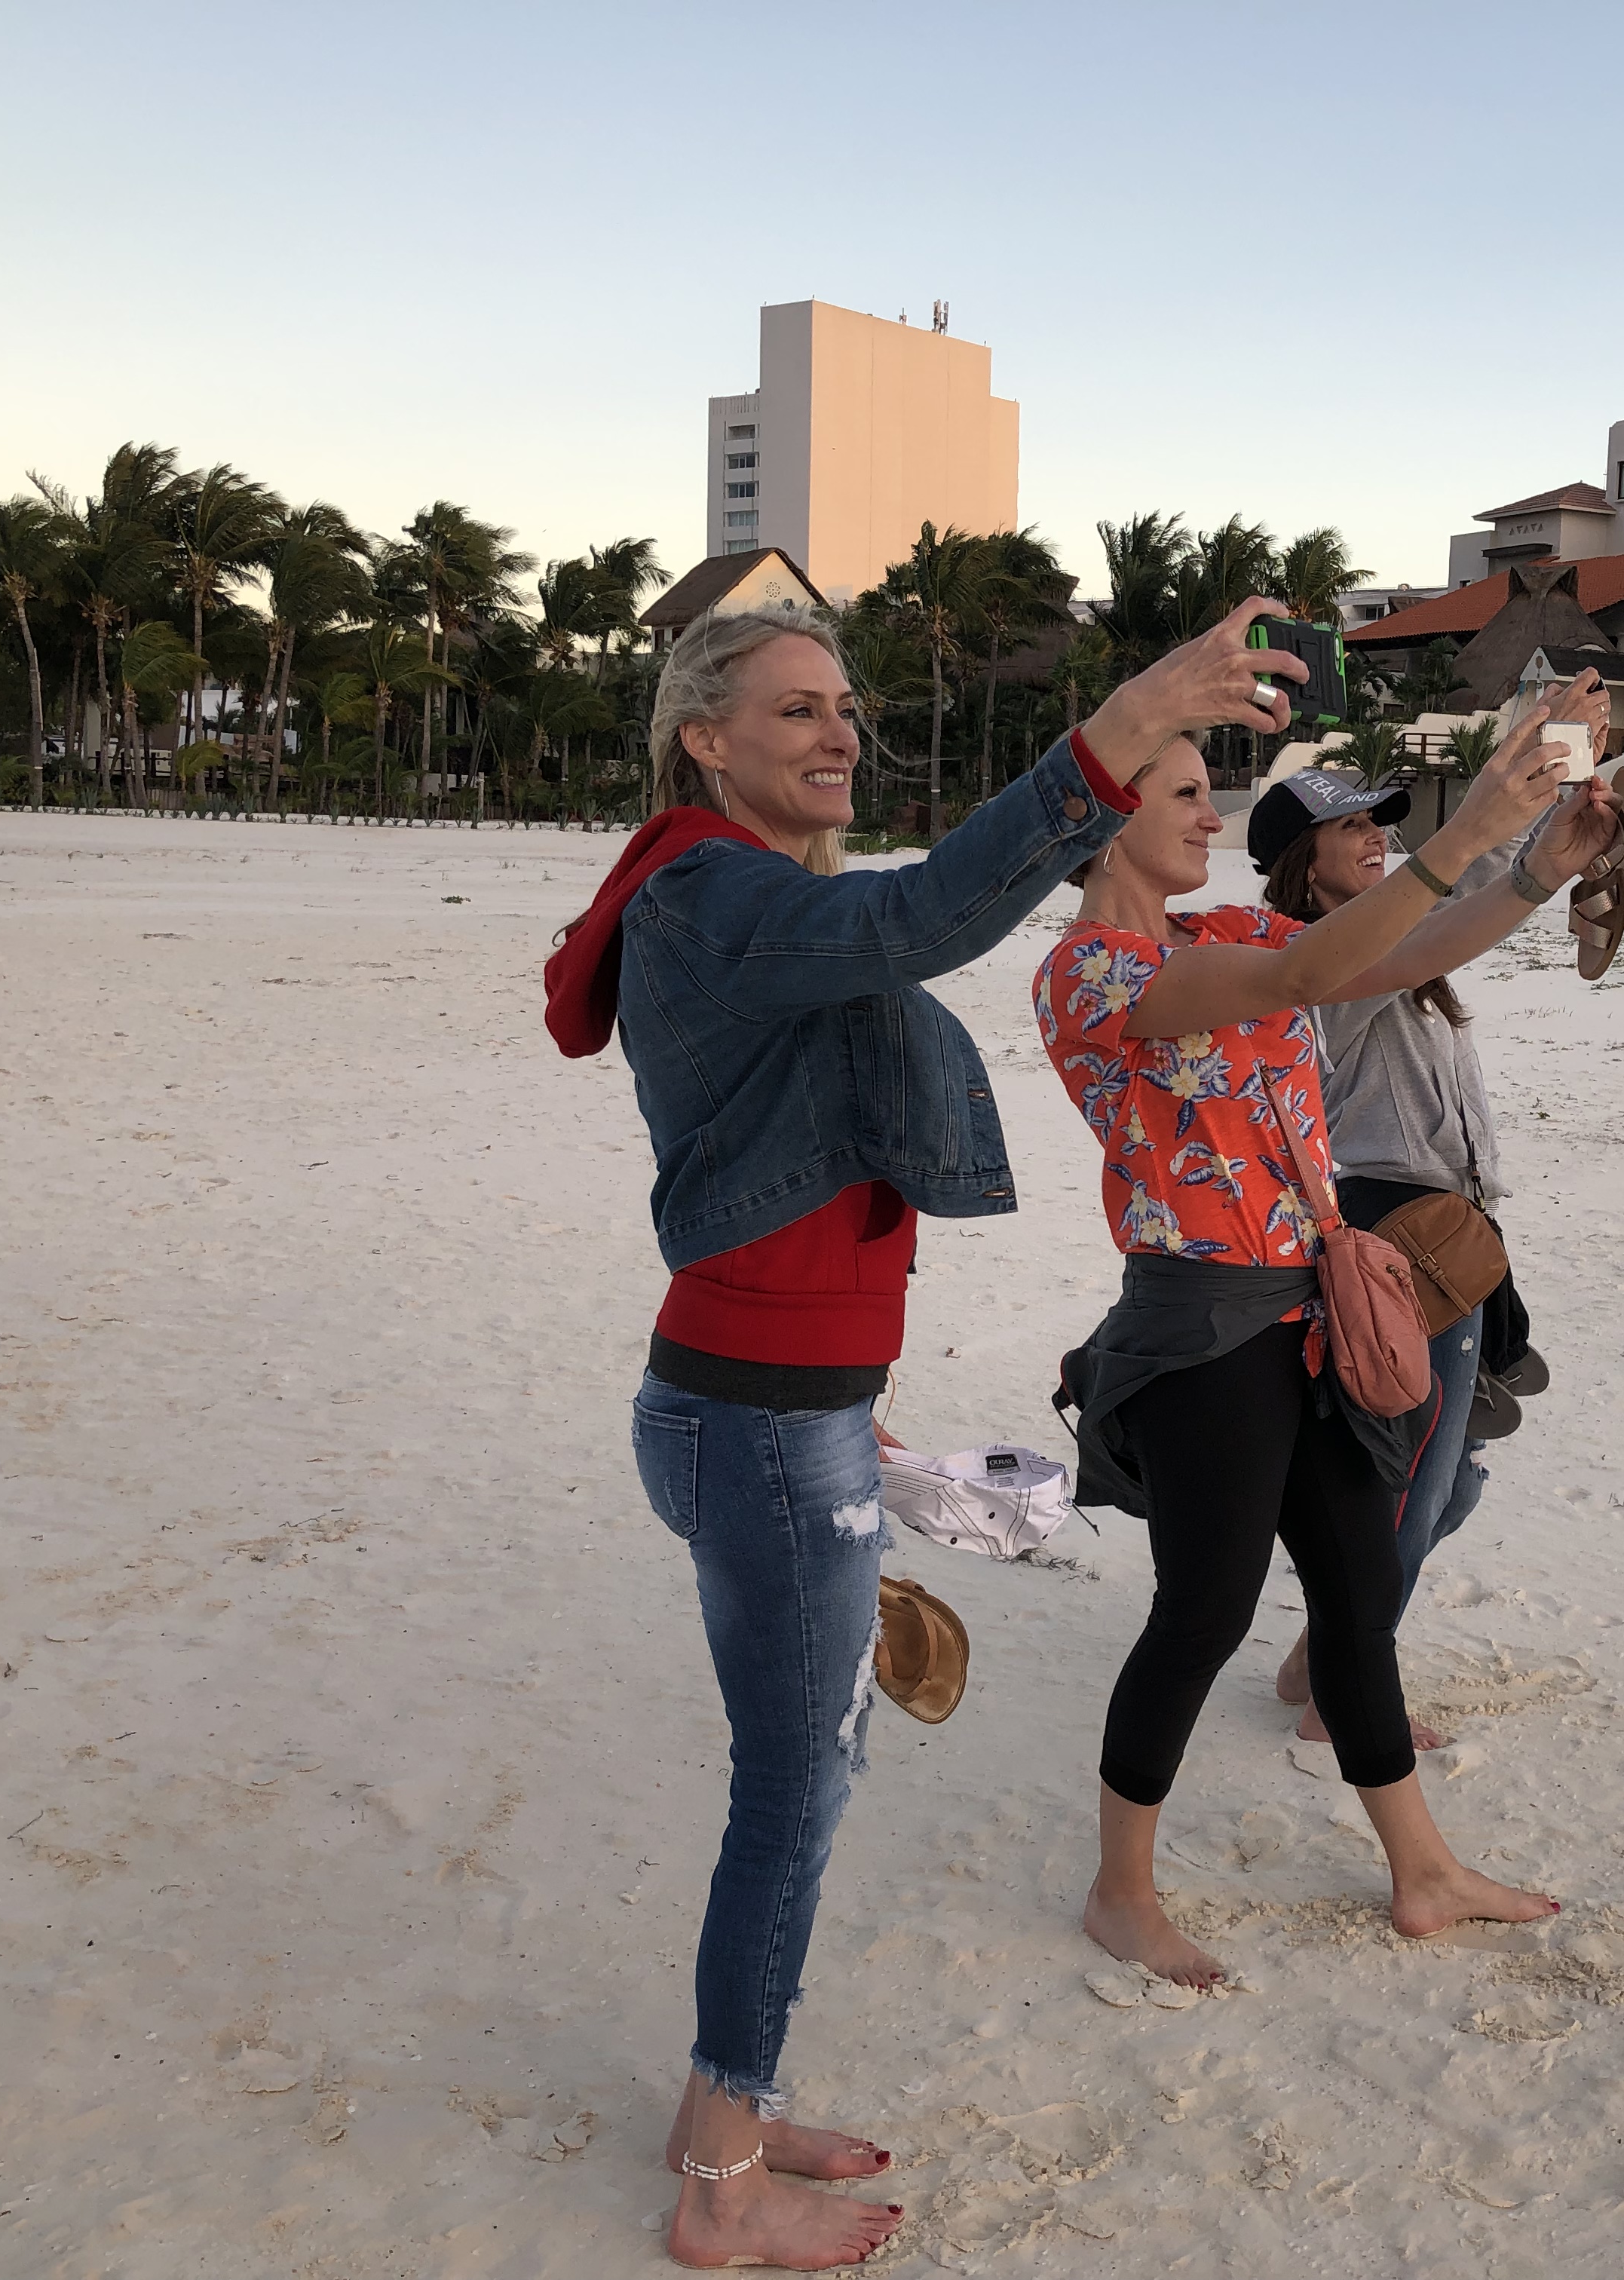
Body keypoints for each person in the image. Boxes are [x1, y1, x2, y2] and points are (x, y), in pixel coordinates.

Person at [544, 597, 1291, 2272]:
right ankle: (721, 2179)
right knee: (793, 1791)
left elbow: (871, 991)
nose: (839, 735)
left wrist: (863, 1413)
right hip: (757, 1423)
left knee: (811, 1769)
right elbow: (928, 912)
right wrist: (1123, 726)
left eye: (846, 709)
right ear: (703, 739)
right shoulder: (712, 894)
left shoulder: (747, 897)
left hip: (779, 1407)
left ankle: (720, 2107)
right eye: (796, 709)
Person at [1036, 664, 1619, 1990]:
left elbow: (1401, 954)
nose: (1211, 816)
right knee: (1205, 1612)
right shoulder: (1092, 975)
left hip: (1308, 1310)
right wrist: (1476, 820)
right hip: (1201, 1332)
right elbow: (1306, 967)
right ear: (1108, 820)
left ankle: (1423, 1870)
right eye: (1186, 795)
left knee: (1358, 1593)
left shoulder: (1225, 926)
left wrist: (1534, 868)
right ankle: (1121, 1892)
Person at [1248, 689, 1612, 1743]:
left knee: (1447, 1490)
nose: (1377, 836)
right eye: (1352, 827)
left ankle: (1322, 1656)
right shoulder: (1320, 962)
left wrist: (1549, 804)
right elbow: (1459, 903)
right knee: (1412, 1488)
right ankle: (1342, 1701)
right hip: (1399, 1235)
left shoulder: (1398, 946)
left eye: (1380, 820)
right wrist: (1520, 815)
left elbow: (1472, 889)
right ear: (1301, 863)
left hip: (1454, 1229)